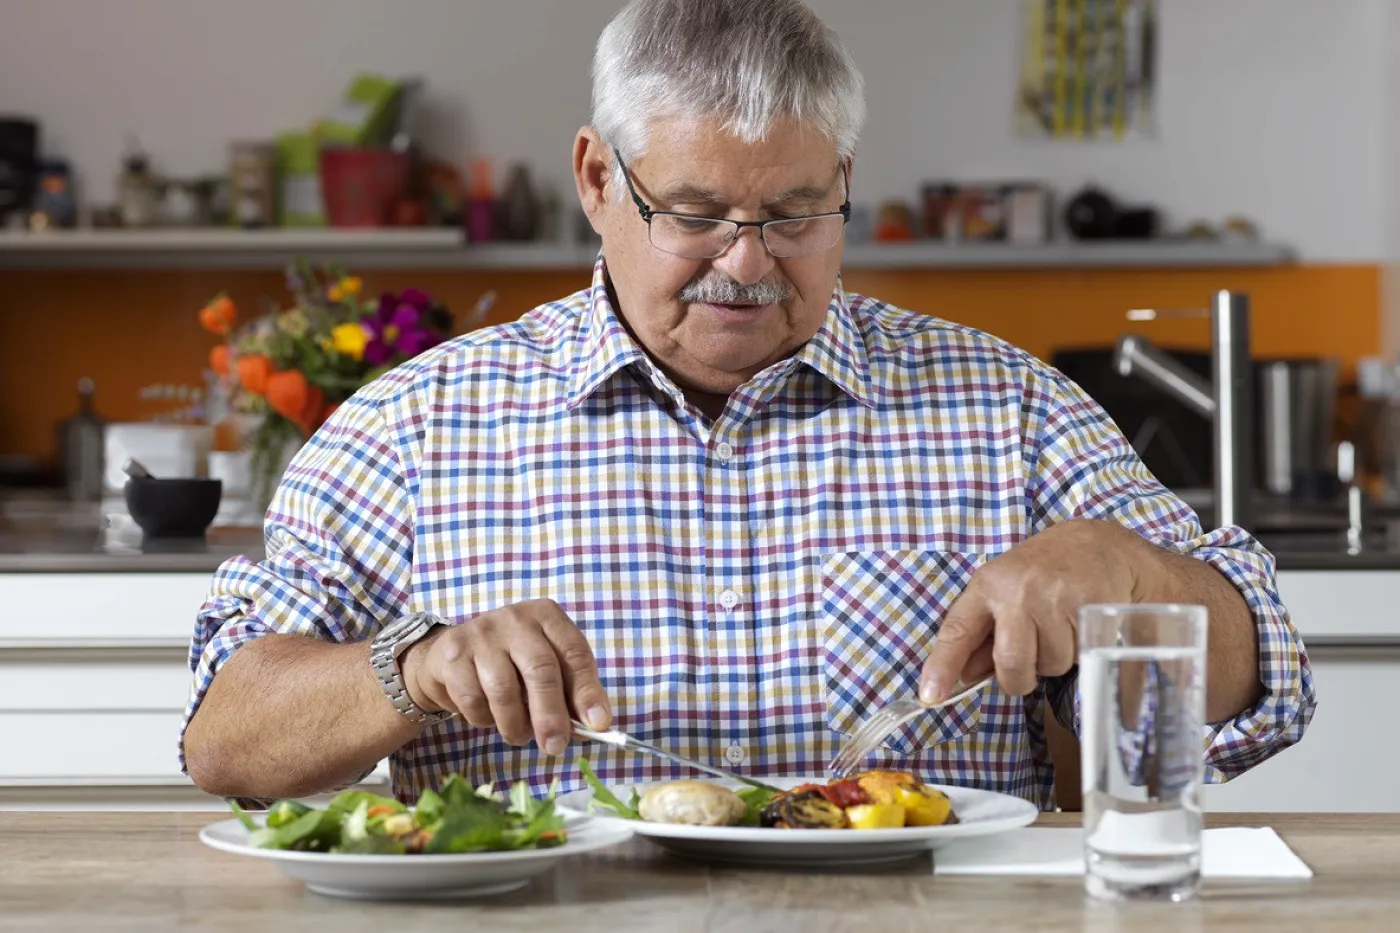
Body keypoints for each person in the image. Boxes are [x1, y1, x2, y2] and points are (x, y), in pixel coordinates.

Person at [181, 0, 1315, 810]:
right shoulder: (410, 427)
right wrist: (408, 670)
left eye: (792, 214)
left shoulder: (1007, 407)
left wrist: (1128, 573)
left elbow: (1260, 678)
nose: (746, 263)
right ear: (595, 181)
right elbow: (227, 740)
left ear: (847, 186)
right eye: (693, 211)